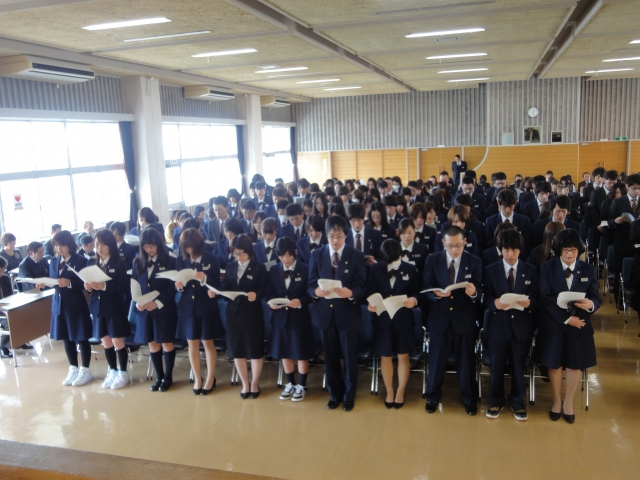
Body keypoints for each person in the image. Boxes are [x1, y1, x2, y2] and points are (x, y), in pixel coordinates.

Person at [536, 229, 601, 423]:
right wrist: (566, 319)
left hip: (579, 324)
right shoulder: (547, 267)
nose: (570, 254)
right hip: (555, 324)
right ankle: (557, 400)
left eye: (573, 249)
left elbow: (595, 296)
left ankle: (569, 402)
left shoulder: (588, 269)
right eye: (565, 250)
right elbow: (546, 297)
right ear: (558, 250)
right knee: (555, 364)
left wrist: (591, 305)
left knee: (575, 364)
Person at [307, 215, 366, 412]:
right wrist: (315, 292)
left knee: (349, 357)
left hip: (347, 313)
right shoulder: (317, 255)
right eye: (331, 236)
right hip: (325, 314)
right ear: (326, 235)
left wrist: (351, 293)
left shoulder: (356, 255)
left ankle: (349, 396)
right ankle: (334, 394)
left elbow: (361, 285)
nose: (335, 240)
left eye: (339, 236)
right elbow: (310, 284)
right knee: (330, 357)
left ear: (346, 236)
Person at [422, 226, 482, 415]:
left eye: (458, 245)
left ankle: (469, 399)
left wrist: (474, 293)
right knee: (437, 361)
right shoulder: (433, 259)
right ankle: (432, 397)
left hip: (464, 318)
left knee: (466, 362)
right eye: (450, 246)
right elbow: (426, 285)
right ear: (443, 243)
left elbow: (481, 289)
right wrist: (435, 294)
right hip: (440, 317)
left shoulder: (474, 261)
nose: (454, 250)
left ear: (464, 242)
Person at [483, 229, 538, 421]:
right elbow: (485, 296)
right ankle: (495, 400)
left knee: (518, 366)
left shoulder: (531, 270)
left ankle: (517, 401)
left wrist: (530, 303)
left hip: (521, 327)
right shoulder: (491, 270)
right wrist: (494, 303)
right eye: (506, 250)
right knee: (496, 366)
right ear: (500, 250)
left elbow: (537, 297)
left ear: (520, 250)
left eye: (514, 250)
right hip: (498, 326)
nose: (510, 254)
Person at [367, 238, 420, 409]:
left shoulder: (410, 268)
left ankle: (400, 391)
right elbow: (370, 291)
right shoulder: (376, 268)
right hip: (382, 319)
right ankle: (389, 390)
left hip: (403, 319)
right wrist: (371, 304)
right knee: (385, 356)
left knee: (403, 355)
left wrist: (414, 300)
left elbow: (417, 292)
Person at [42, 230, 93, 387]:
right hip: (59, 304)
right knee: (66, 337)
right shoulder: (54, 261)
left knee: (81, 337)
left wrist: (69, 283)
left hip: (75, 304)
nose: (59, 249)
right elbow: (53, 281)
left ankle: (85, 369)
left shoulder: (81, 260)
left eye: (61, 245)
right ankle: (73, 367)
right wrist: (44, 283)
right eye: (56, 246)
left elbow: (85, 284)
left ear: (69, 244)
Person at [176, 228, 223, 395]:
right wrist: (179, 287)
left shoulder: (212, 259)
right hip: (188, 307)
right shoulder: (181, 260)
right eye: (186, 247)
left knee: (208, 343)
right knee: (192, 343)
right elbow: (179, 286)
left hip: (206, 306)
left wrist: (206, 279)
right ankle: (197, 377)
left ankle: (210, 377)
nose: (190, 250)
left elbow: (218, 284)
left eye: (192, 247)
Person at [268, 237, 314, 402]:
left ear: (295, 252)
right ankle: (291, 383)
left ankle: (302, 385)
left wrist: (300, 301)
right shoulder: (274, 270)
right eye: (281, 256)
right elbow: (270, 293)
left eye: (288, 255)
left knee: (301, 352)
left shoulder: (305, 268)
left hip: (299, 317)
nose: (285, 259)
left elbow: (311, 293)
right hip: (280, 317)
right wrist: (271, 303)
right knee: (284, 352)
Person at [131, 228, 178, 392]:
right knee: (152, 343)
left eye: (151, 246)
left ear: (158, 244)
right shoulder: (138, 262)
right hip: (145, 310)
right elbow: (135, 284)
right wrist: (137, 301)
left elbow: (172, 288)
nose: (148, 249)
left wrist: (157, 303)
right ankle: (159, 376)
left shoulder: (170, 261)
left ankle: (168, 377)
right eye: (145, 246)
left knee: (166, 342)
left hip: (164, 309)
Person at [223, 234, 268, 399]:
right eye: (235, 253)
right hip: (233, 314)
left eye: (241, 253)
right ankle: (245, 383)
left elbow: (264, 290)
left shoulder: (259, 267)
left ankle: (254, 383)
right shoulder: (230, 267)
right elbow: (226, 287)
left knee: (254, 350)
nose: (238, 256)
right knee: (237, 350)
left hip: (252, 314)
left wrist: (256, 295)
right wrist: (220, 292)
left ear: (249, 251)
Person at [86, 230, 131, 390]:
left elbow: (123, 287)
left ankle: (123, 372)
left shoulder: (119, 262)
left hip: (114, 307)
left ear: (110, 244)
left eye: (103, 244)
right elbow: (90, 286)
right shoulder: (93, 262)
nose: (100, 248)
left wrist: (104, 285)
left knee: (117, 340)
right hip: (98, 306)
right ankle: (112, 370)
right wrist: (88, 287)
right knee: (105, 340)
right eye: (97, 244)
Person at [0, 257, 15, 358]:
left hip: (6, 307)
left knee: (22, 315)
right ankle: (3, 347)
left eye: (3, 270)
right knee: (10, 321)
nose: (2, 273)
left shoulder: (5, 278)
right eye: (0, 270)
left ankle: (20, 342)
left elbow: (10, 296)